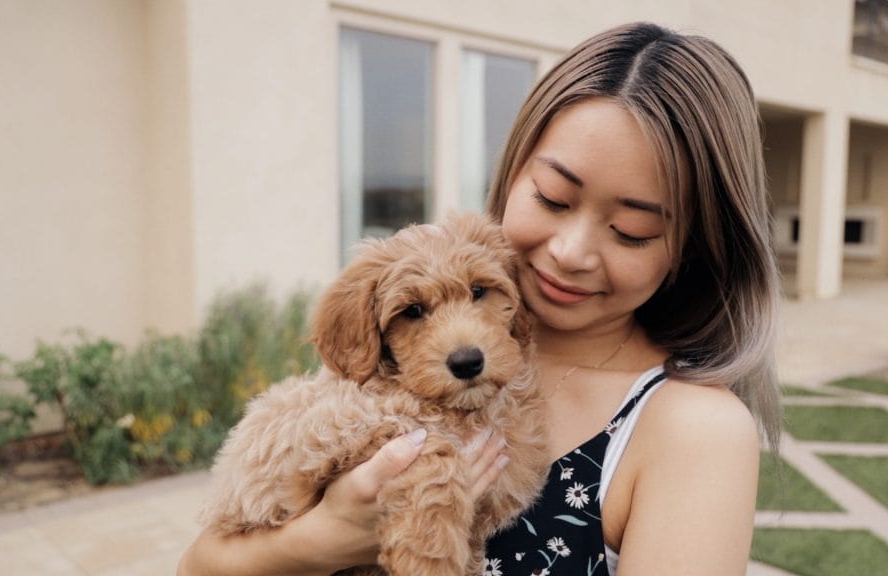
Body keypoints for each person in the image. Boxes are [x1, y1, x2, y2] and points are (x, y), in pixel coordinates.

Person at [178, 21, 780, 576]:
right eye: (551, 196)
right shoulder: (393, 362)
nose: (571, 251)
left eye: (632, 230)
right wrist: (323, 538)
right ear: (513, 169)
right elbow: (198, 566)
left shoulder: (691, 429)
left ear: (694, 247)